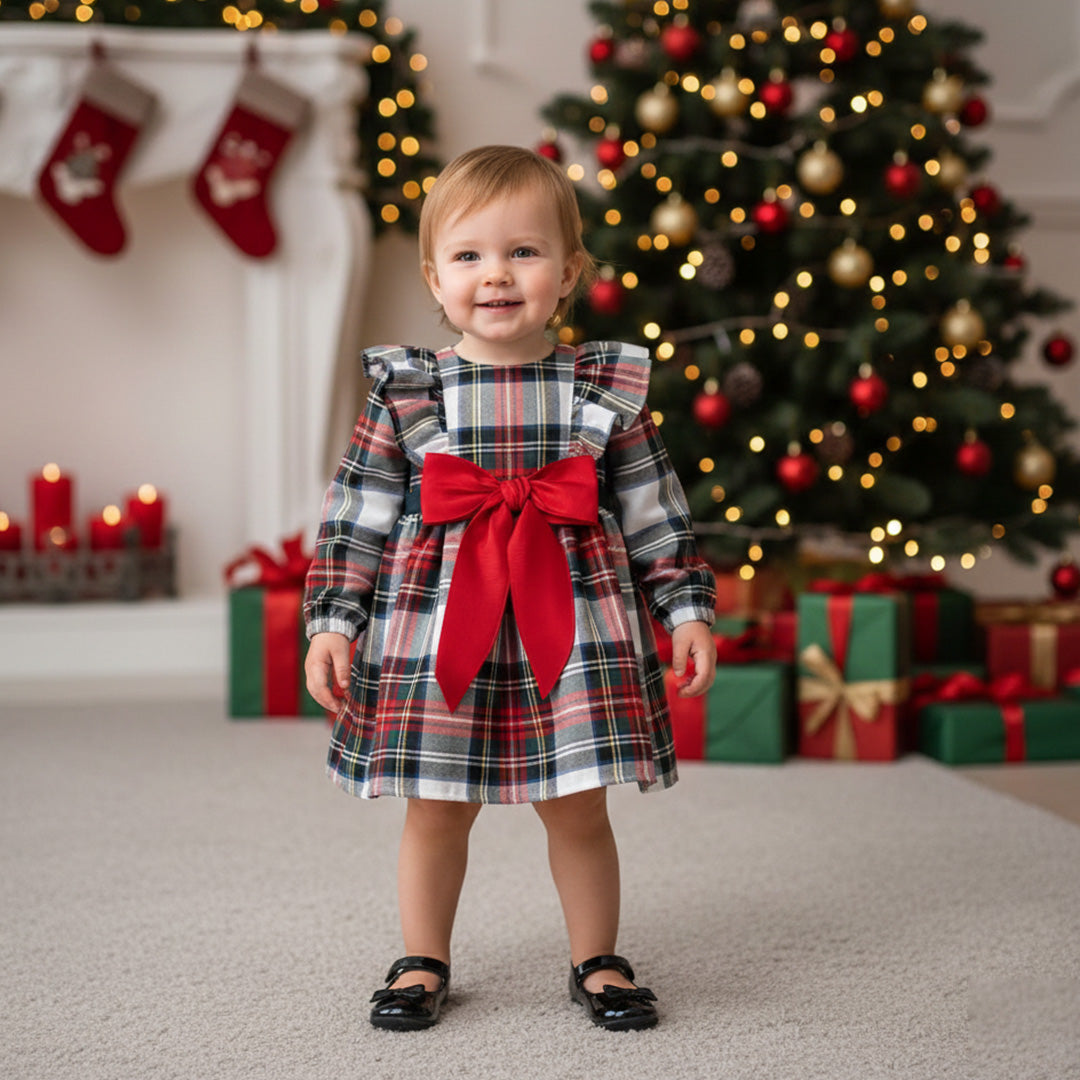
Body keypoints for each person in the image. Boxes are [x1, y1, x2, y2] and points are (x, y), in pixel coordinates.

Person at [303, 145, 717, 1033]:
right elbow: (357, 518)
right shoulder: (406, 391)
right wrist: (333, 622)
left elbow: (655, 513)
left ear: (568, 273)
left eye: (524, 253)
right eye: (470, 256)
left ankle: (598, 958)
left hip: (573, 623)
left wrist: (685, 609)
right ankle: (422, 958)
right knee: (436, 808)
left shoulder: (605, 388)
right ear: (434, 277)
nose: (496, 275)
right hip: (440, 626)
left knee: (577, 807)